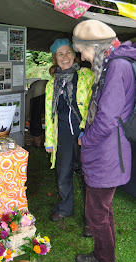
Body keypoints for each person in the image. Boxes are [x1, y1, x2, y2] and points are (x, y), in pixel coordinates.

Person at [72, 20, 136, 262]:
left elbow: (108, 119)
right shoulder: (112, 63)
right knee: (101, 211)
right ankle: (101, 255)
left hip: (108, 152)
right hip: (105, 151)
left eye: (83, 51)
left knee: (97, 215)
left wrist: (85, 140)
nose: (82, 57)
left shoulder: (118, 66)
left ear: (95, 47)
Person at [44, 38, 95, 228]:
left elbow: (93, 105)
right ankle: (65, 207)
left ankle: (91, 218)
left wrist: (86, 129)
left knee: (88, 175)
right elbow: (50, 113)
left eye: (68, 52)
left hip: (85, 133)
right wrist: (49, 140)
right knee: (63, 173)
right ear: (55, 59)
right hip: (63, 134)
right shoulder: (51, 84)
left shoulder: (86, 76)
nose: (65, 57)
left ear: (74, 55)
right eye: (60, 54)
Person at [25, 79, 48, 147]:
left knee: (35, 119)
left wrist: (27, 117)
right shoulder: (43, 83)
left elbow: (27, 104)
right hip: (48, 93)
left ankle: (37, 143)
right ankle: (46, 141)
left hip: (38, 96)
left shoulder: (33, 89)